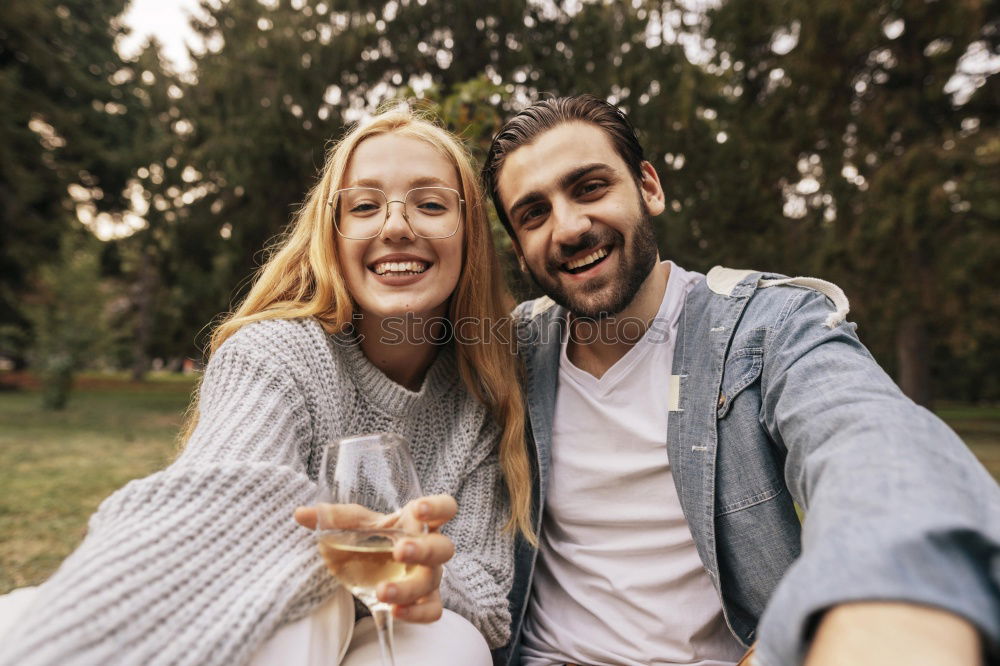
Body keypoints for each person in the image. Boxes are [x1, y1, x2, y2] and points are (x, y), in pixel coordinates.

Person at [0, 106, 533, 666]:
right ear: (334, 234)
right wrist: (340, 552)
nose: (396, 226)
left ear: (469, 234)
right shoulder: (276, 353)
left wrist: (427, 570)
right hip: (260, 617)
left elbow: (490, 597)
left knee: (450, 641)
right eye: (365, 206)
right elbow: (215, 515)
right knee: (313, 606)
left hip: (388, 624)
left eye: (430, 204)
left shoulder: (482, 388)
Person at [479, 95, 1000, 666]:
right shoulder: (507, 355)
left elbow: (872, 440)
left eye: (590, 188)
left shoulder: (770, 326)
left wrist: (886, 602)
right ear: (520, 253)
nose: (569, 227)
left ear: (648, 188)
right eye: (534, 213)